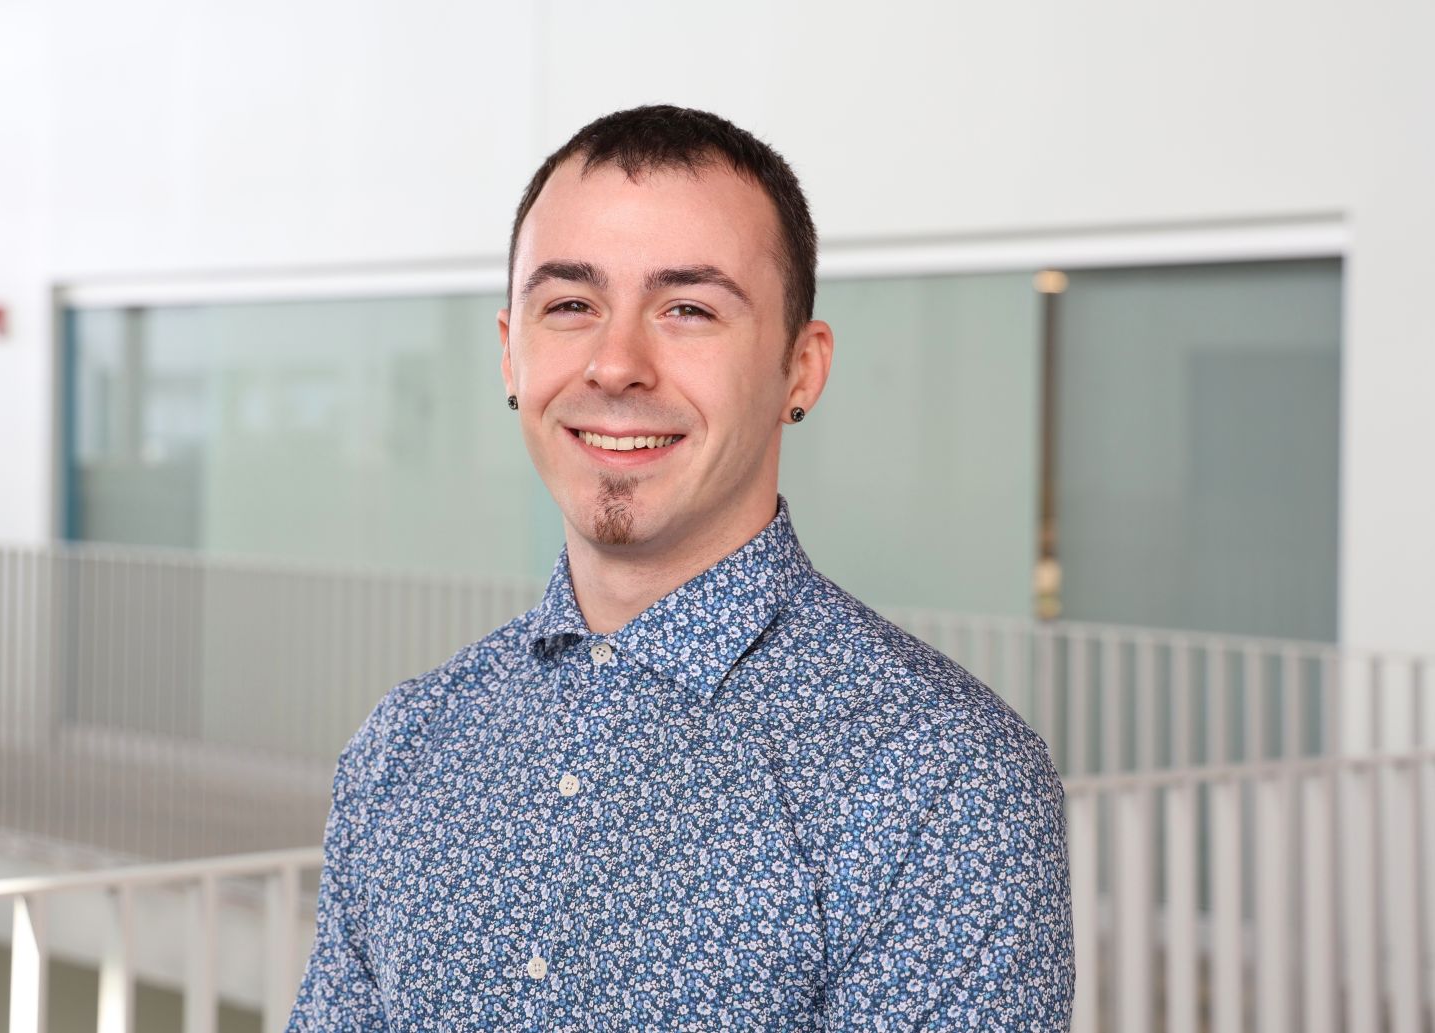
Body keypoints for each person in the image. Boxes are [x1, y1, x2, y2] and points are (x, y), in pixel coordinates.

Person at [288, 104, 1073, 1031]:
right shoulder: (404, 747)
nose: (615, 364)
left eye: (688, 309)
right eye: (571, 305)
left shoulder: (943, 782)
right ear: (509, 349)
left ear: (800, 369)